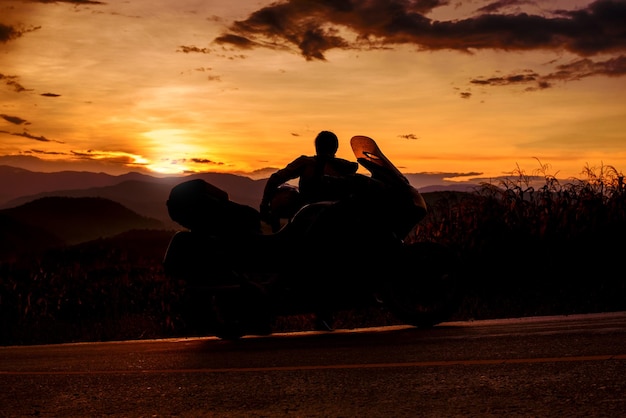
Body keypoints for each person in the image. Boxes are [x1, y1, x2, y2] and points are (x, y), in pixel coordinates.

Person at [259, 130, 359, 226]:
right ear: (336, 148)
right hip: (335, 217)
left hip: (307, 215)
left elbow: (275, 179)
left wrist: (264, 205)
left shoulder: (306, 163)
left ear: (317, 147)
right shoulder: (347, 167)